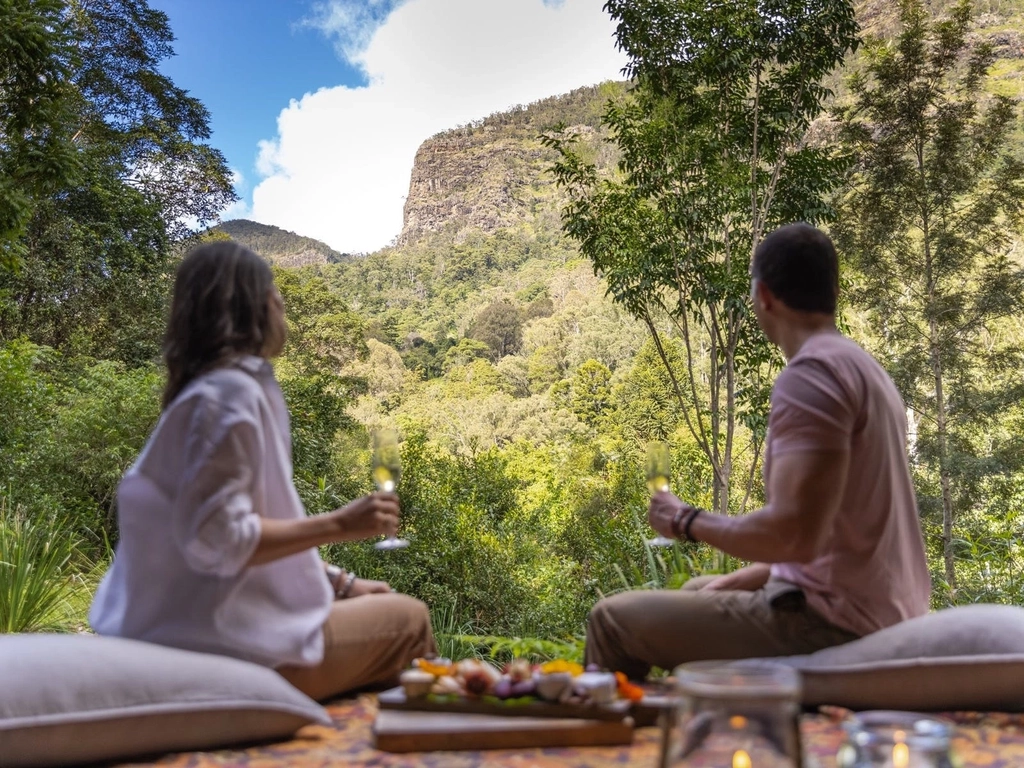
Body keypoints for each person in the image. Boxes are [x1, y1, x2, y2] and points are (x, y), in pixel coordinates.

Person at [90, 241, 435, 701]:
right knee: (409, 619)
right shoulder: (228, 396)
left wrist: (342, 584)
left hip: (164, 633)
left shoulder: (200, 396)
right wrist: (339, 524)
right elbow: (217, 539)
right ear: (255, 308)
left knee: (379, 607)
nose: (283, 308)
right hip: (212, 649)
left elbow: (215, 534)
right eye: (277, 296)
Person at [585, 223, 931, 680]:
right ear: (834, 290)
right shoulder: (864, 369)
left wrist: (684, 520)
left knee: (611, 620)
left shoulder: (811, 377)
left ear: (763, 296)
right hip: (882, 603)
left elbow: (794, 535)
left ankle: (615, 743)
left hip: (836, 621)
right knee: (698, 587)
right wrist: (746, 577)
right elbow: (830, 533)